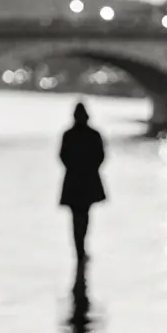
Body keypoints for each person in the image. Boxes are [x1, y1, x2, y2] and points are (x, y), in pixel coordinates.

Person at [58, 102, 106, 268]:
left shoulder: (68, 135)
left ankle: (78, 248)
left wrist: (74, 168)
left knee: (75, 217)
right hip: (88, 181)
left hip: (73, 182)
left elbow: (62, 156)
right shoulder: (94, 135)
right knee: (85, 215)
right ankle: (82, 246)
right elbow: (101, 156)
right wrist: (89, 169)